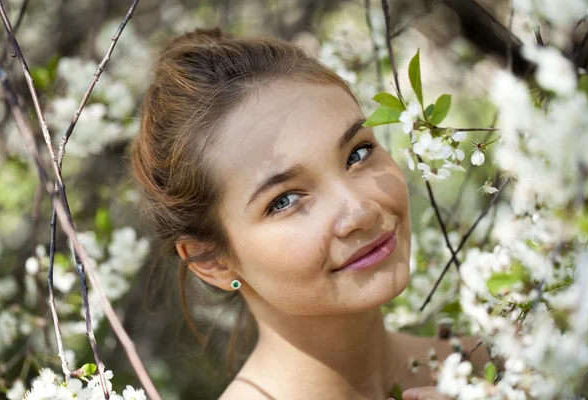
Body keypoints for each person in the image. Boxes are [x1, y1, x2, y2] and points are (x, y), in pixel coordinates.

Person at [130, 27, 487, 400]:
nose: (359, 212)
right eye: (284, 200)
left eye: (358, 153)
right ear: (212, 262)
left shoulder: (504, 370)